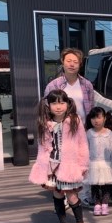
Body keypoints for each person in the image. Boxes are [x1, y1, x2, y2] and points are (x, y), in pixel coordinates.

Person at [29, 89, 89, 223]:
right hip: (52, 165)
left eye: (62, 103)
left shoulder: (75, 120)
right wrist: (41, 166)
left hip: (69, 166)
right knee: (57, 195)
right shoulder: (44, 123)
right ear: (48, 105)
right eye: (54, 103)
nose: (58, 106)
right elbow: (42, 147)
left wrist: (83, 165)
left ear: (67, 104)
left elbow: (82, 144)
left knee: (72, 196)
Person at [44, 47, 95, 207]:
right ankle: (65, 195)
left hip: (82, 129)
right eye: (69, 61)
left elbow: (91, 106)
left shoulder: (86, 85)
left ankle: (84, 195)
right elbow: (46, 107)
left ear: (80, 64)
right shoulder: (54, 85)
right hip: (61, 130)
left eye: (75, 62)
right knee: (62, 162)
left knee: (83, 161)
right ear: (63, 62)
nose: (72, 64)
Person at [85, 107, 112, 216]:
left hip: (106, 164)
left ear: (104, 118)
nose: (96, 120)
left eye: (99, 117)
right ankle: (97, 204)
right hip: (92, 164)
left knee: (106, 185)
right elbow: (86, 150)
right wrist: (85, 165)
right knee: (94, 185)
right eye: (93, 118)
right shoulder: (89, 133)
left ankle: (105, 204)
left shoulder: (110, 134)